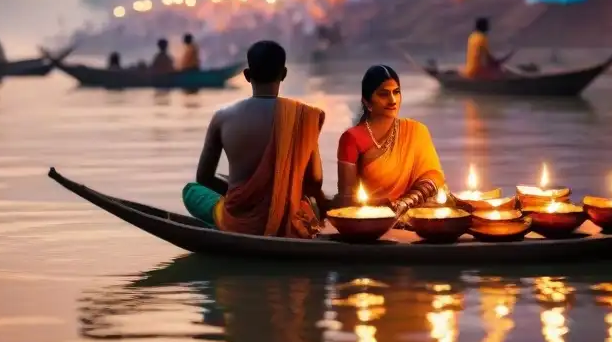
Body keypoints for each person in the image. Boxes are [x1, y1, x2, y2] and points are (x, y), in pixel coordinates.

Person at [182, 40, 325, 238]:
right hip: (289, 220)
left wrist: (246, 194)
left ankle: (225, 225)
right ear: (283, 74)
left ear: (247, 75)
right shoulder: (304, 116)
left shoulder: (223, 116)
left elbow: (204, 178)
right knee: (311, 203)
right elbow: (315, 181)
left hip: (239, 223)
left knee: (191, 191)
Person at [336, 65, 445, 219]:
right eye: (383, 94)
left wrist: (405, 203)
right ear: (367, 102)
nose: (393, 100)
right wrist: (383, 208)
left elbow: (434, 176)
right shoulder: (351, 139)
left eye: (396, 92)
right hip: (371, 221)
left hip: (415, 216)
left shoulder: (417, 131)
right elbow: (346, 200)